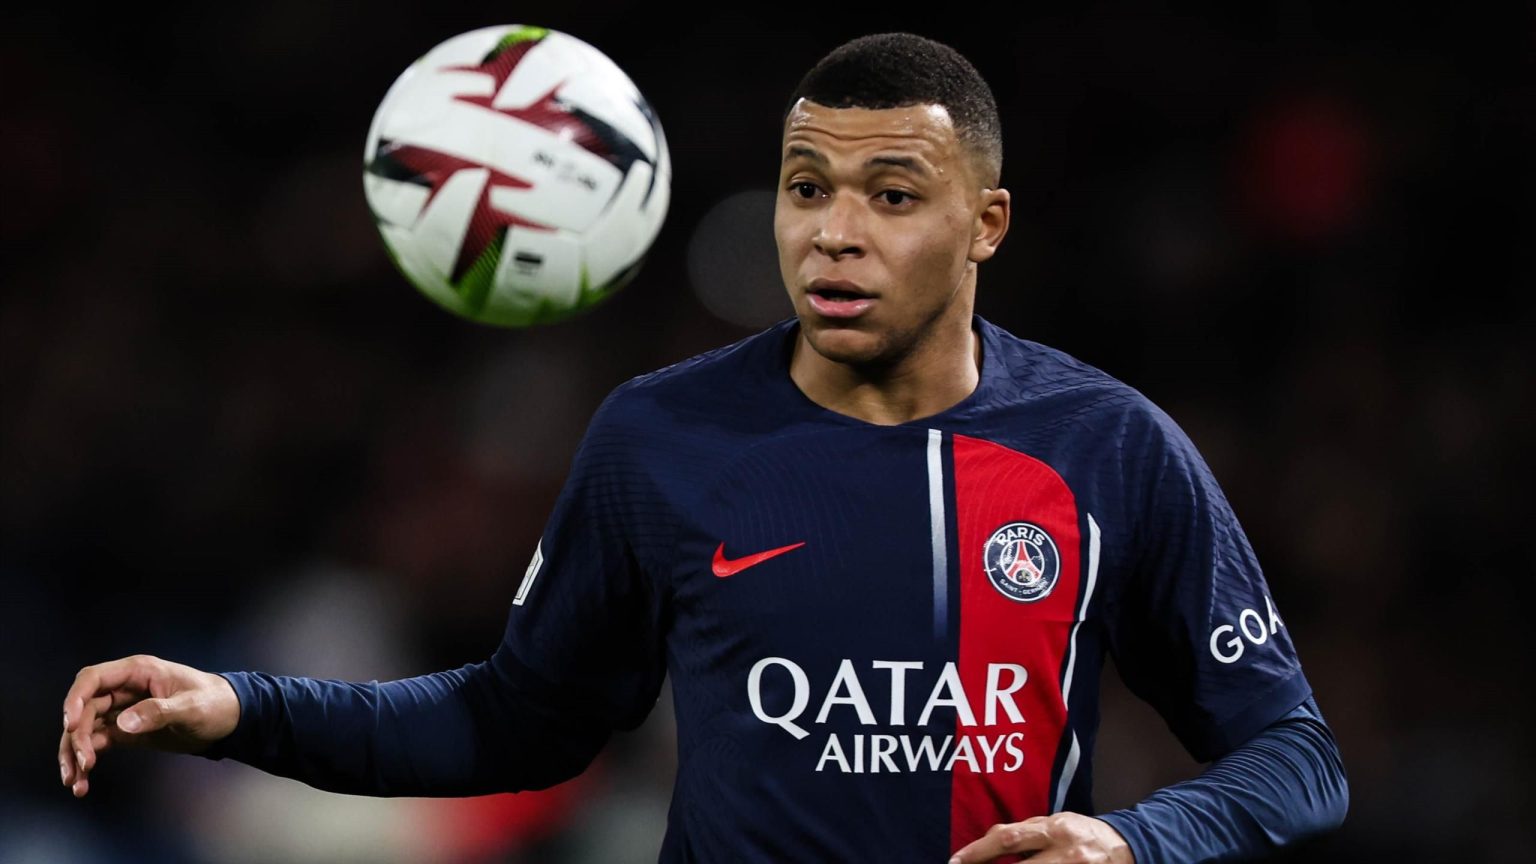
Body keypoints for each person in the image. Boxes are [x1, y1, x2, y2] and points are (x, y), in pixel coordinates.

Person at [59, 32, 1348, 863]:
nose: (834, 232)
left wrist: (1134, 843)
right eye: (807, 186)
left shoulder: (1107, 448)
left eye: (893, 195)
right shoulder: (663, 437)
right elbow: (518, 722)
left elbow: (1296, 756)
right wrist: (243, 711)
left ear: (987, 224)